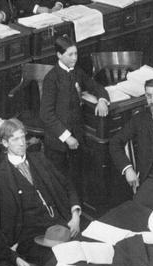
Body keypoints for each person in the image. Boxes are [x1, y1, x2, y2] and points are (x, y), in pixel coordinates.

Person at [0, 118, 81, 265]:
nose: (22, 143)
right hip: (31, 239)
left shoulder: (40, 159)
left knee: (82, 254)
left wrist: (75, 215)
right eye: (15, 139)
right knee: (57, 263)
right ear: (5, 143)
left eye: (23, 137)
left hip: (62, 225)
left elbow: (66, 184)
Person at [40, 35, 109, 197]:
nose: (74, 58)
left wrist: (102, 100)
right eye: (70, 55)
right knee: (59, 183)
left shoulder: (77, 72)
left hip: (77, 138)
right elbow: (46, 114)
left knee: (75, 180)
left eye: (76, 54)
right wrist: (67, 137)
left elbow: (95, 86)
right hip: (58, 143)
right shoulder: (51, 78)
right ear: (59, 55)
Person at [109, 78, 153, 210]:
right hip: (150, 180)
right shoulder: (139, 120)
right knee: (138, 212)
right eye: (148, 96)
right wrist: (127, 169)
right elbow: (115, 142)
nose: (152, 100)